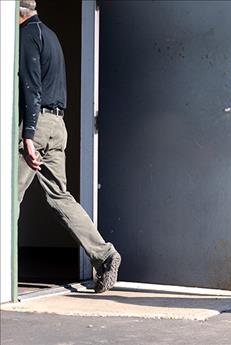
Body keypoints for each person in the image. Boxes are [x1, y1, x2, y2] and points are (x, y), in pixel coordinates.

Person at [18, 0, 121, 293]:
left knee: (9, 196)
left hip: (36, 126)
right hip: (57, 126)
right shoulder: (50, 35)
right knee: (59, 196)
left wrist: (27, 134)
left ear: (18, 13)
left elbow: (31, 87)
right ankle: (105, 255)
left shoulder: (27, 35)